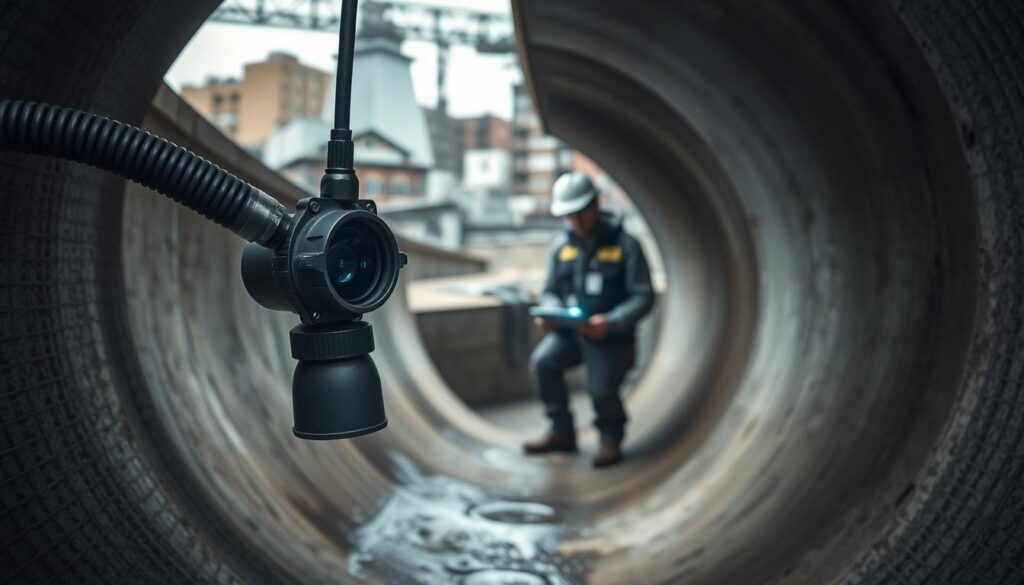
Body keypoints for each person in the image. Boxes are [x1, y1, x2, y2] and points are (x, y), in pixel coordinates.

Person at [523, 172, 655, 468]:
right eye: (570, 215)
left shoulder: (626, 245)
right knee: (543, 363)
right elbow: (550, 291)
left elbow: (643, 296)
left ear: (595, 204)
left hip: (609, 337)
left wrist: (611, 322)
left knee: (601, 390)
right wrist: (551, 313)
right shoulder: (561, 247)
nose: (577, 221)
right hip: (571, 333)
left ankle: (610, 438)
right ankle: (561, 431)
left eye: (581, 213)